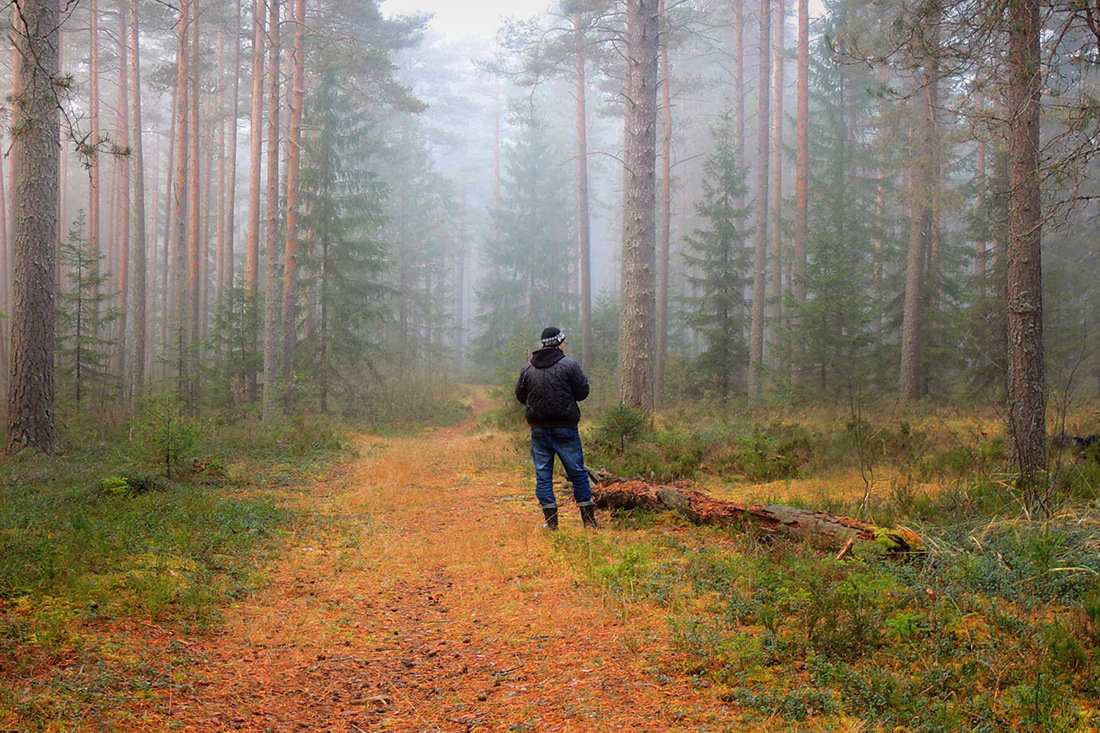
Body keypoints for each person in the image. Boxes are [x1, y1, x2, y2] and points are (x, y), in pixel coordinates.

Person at [514, 326, 599, 530]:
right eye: (564, 341)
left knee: (543, 475)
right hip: (566, 428)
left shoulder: (528, 368)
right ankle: (588, 521)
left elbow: (520, 396)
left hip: (539, 431)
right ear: (560, 343)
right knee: (578, 473)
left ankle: (551, 524)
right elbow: (582, 393)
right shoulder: (569, 365)